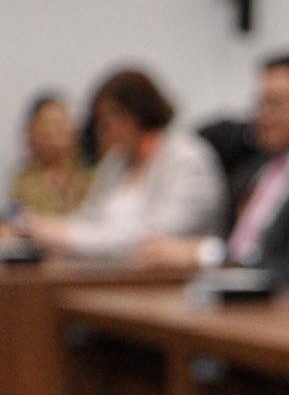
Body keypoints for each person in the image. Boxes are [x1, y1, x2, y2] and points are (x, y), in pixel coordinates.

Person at [142, 51, 289, 284]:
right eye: (260, 103)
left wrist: (207, 254)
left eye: (276, 104)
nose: (263, 115)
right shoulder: (258, 170)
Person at [12, 66, 223, 257]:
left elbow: (156, 238)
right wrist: (40, 226)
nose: (102, 133)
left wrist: (69, 237)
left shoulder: (186, 160)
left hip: (169, 278)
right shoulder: (118, 161)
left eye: (108, 122)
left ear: (134, 116)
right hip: (111, 272)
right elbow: (88, 219)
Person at [7, 93, 92, 218]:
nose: (53, 133)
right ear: (32, 133)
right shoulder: (24, 181)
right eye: (47, 125)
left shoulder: (92, 174)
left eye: (60, 124)